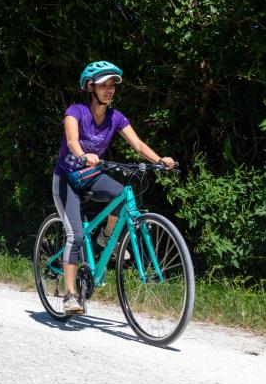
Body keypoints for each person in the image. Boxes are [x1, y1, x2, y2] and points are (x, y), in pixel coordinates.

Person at [52, 61, 176, 314]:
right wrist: (84, 154)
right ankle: (69, 295)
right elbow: (73, 141)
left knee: (122, 195)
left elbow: (138, 145)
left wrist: (159, 160)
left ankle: (106, 237)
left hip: (91, 177)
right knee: (75, 235)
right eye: (103, 85)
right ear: (90, 87)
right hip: (66, 179)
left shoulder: (116, 117)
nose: (109, 90)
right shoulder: (75, 112)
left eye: (112, 86)